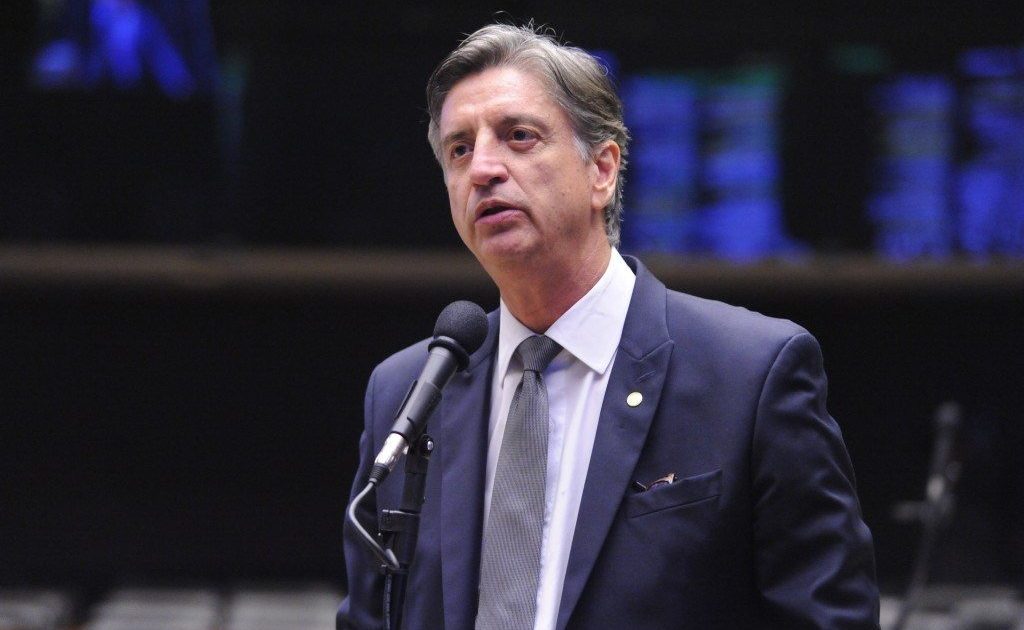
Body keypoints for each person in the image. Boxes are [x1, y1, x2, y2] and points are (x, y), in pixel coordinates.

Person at [339, 22, 879, 630]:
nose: (483, 168)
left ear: (602, 169)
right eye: (459, 149)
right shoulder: (410, 392)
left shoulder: (750, 375)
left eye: (519, 136)